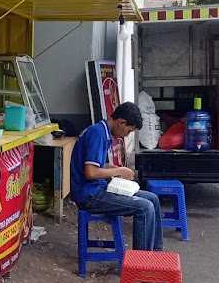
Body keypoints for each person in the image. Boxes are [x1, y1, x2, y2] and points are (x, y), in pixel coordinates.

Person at [70, 102, 163, 251]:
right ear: (121, 122)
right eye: (129, 131)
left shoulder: (102, 131)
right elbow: (90, 172)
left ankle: (155, 254)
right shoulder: (97, 134)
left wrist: (112, 168)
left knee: (153, 199)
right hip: (89, 195)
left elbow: (95, 165)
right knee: (144, 207)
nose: (127, 135)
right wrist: (119, 171)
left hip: (97, 188)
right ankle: (140, 264)